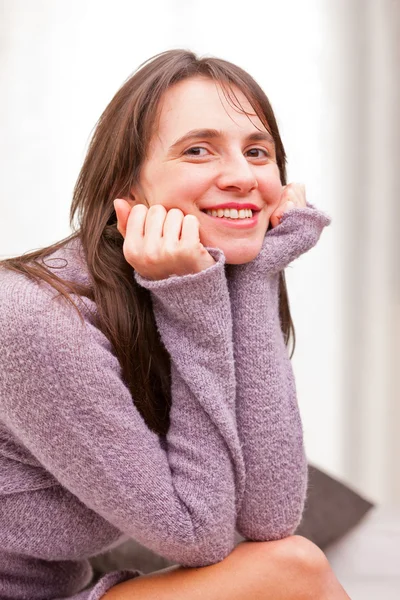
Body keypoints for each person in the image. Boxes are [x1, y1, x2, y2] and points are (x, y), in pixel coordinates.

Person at [0, 49, 350, 599]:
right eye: (198, 150)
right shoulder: (36, 320)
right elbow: (197, 535)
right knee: (294, 572)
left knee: (290, 563)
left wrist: (258, 277)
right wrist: (192, 306)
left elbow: (270, 516)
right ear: (130, 185)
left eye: (258, 151)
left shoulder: (185, 291)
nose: (241, 176)